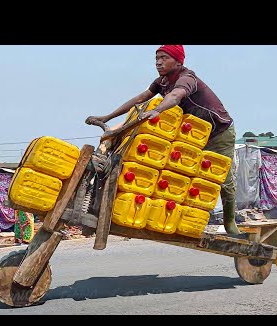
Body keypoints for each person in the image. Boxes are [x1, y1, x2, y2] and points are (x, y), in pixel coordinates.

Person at [85, 45, 240, 235]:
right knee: (177, 171)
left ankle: (230, 222)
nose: (158, 62)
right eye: (156, 58)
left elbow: (176, 96)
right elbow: (139, 99)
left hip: (219, 132)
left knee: (221, 177)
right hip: (193, 133)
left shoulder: (187, 78)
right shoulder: (161, 82)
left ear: (178, 61)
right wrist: (107, 117)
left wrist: (157, 109)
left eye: (164, 57)